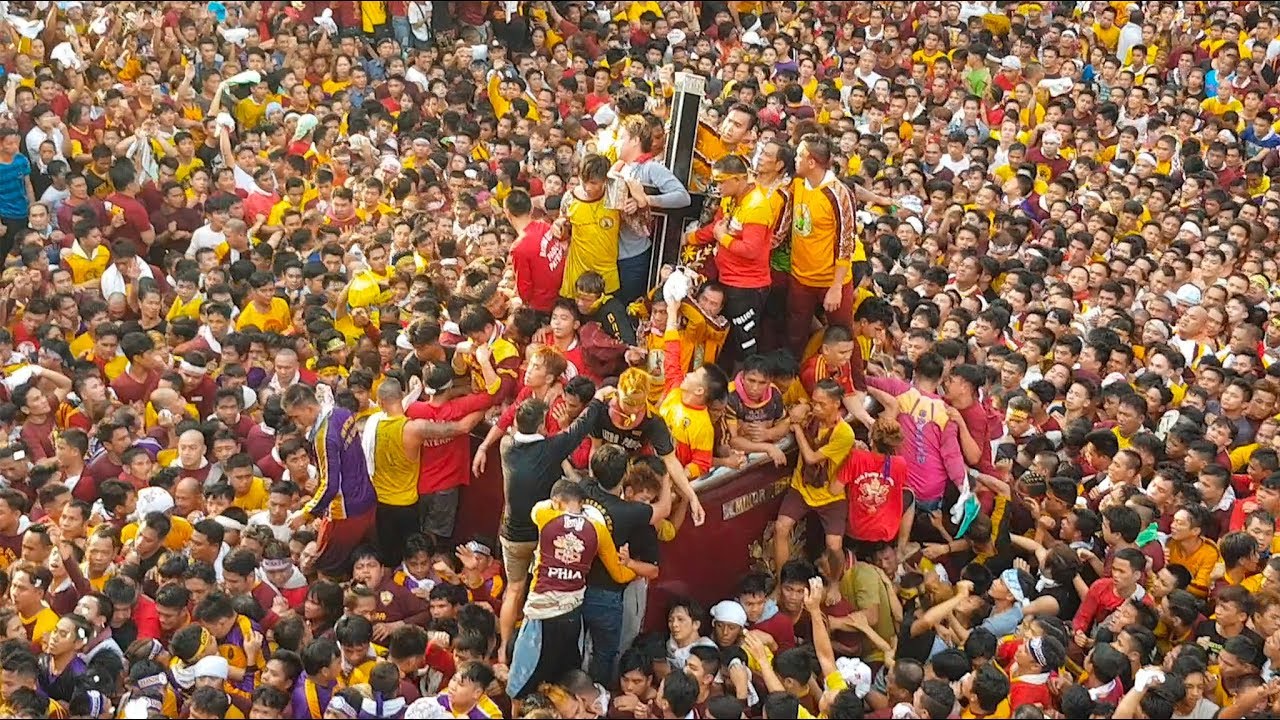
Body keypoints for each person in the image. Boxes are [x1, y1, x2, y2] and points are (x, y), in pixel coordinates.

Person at [280, 384, 375, 579]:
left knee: (327, 570)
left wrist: (305, 513)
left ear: (309, 409)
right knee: (360, 562)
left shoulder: (323, 437)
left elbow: (330, 485)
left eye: (296, 417)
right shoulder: (342, 413)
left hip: (345, 511)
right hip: (367, 499)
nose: (295, 423)